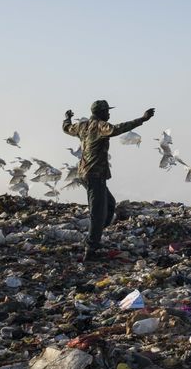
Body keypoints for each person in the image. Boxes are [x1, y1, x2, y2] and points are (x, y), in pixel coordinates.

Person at [63, 100, 155, 261]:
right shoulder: (100, 126)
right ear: (101, 112)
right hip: (94, 175)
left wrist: (67, 118)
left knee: (110, 205)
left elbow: (66, 128)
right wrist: (142, 119)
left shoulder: (81, 125)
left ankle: (94, 236)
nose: (109, 114)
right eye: (107, 111)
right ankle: (91, 248)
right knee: (98, 212)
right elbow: (118, 129)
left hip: (86, 174)